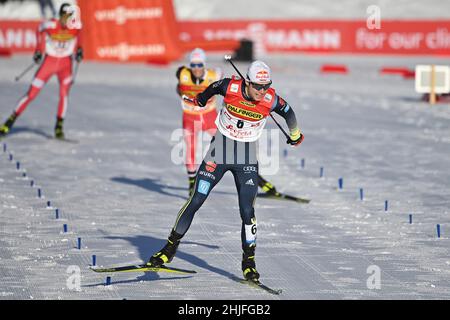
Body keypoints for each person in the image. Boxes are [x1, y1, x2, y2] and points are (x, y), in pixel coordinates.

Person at [148, 60, 304, 281]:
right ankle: (169, 249)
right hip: (219, 153)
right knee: (196, 200)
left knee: (247, 211)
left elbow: (289, 114)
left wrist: (295, 135)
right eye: (257, 86)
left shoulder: (271, 100)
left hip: (246, 158)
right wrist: (200, 100)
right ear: (247, 82)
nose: (262, 91)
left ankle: (248, 263)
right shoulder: (230, 86)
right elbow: (213, 88)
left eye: (266, 86)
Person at [0, 3, 83, 140]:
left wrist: (80, 49)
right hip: (48, 64)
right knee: (31, 94)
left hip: (65, 65)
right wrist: (39, 50)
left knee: (64, 95)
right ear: (60, 15)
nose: (66, 20)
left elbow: (80, 36)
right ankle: (9, 122)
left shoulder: (75, 27)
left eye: (69, 17)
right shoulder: (51, 25)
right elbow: (39, 29)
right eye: (64, 17)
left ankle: (59, 127)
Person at [176, 48, 222, 195]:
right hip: (190, 117)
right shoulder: (182, 74)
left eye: (199, 65)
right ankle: (192, 182)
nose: (196, 69)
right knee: (190, 147)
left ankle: (251, 177)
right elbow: (179, 88)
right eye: (193, 65)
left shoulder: (215, 75)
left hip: (209, 116)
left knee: (225, 144)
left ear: (204, 64)